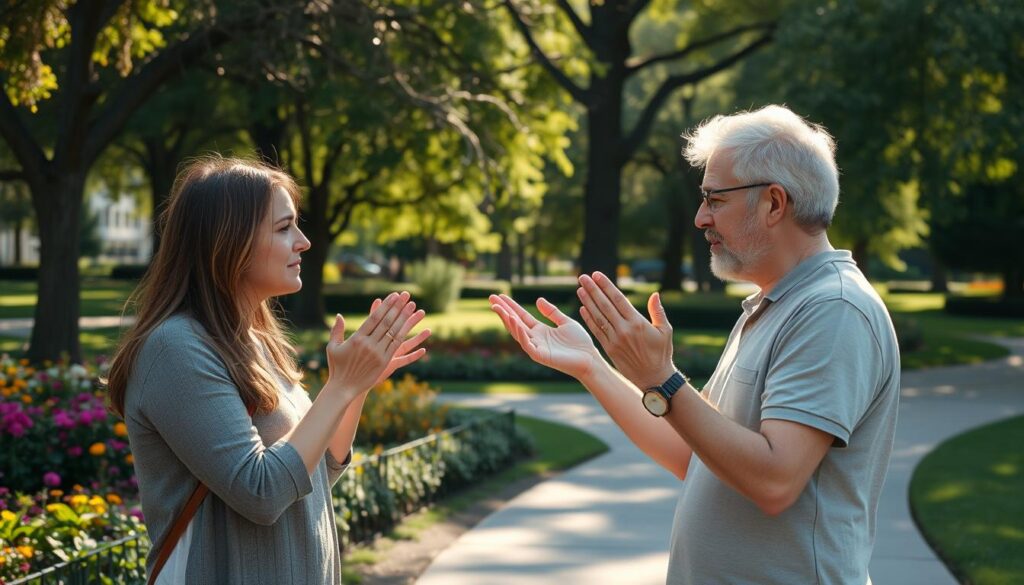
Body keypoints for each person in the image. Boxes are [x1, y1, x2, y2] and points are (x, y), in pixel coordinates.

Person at [490, 105, 899, 585]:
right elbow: (694, 453)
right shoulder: (774, 305)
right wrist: (593, 368)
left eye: (714, 199)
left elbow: (774, 481)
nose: (701, 218)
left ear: (773, 202)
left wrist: (661, 378)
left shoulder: (834, 310)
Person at [105, 156, 430, 584]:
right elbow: (261, 492)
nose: (304, 242)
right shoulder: (176, 348)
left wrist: (353, 388)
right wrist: (340, 386)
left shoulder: (255, 340)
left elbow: (315, 472)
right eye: (283, 228)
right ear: (229, 242)